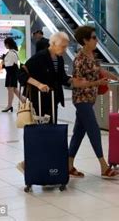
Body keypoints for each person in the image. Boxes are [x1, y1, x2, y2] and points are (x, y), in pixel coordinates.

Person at [68, 26, 119, 179]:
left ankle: (68, 164)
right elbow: (77, 83)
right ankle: (104, 166)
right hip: (81, 100)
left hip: (90, 100)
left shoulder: (92, 56)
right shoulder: (79, 60)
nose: (96, 40)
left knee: (78, 133)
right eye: (93, 37)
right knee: (94, 130)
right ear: (85, 41)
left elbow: (101, 71)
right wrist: (97, 83)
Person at [16, 32, 74, 174]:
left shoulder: (59, 59)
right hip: (40, 101)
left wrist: (76, 81)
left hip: (52, 100)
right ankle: (28, 163)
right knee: (42, 133)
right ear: (53, 44)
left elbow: (62, 78)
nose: (65, 50)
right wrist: (38, 84)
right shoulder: (40, 57)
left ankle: (47, 165)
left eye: (66, 47)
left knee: (51, 133)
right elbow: (21, 74)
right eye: (63, 46)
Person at [1, 37, 25, 113]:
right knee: (13, 89)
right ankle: (24, 100)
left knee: (10, 89)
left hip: (11, 73)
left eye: (5, 44)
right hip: (12, 72)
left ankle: (9, 105)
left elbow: (9, 64)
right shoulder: (13, 52)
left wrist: (3, 62)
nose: (5, 46)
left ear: (7, 44)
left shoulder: (11, 53)